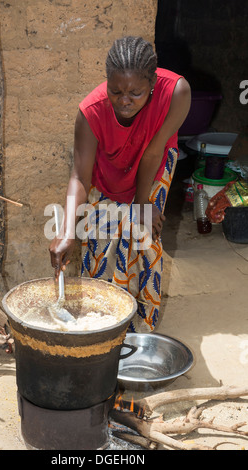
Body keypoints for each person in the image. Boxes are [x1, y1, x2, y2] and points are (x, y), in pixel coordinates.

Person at [49, 36, 191, 332]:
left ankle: (141, 331)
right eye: (115, 92)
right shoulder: (91, 112)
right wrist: (66, 233)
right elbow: (79, 176)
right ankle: (103, 328)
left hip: (153, 164)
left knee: (141, 238)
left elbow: (153, 151)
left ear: (152, 82)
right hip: (108, 172)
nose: (124, 101)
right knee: (100, 239)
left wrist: (142, 204)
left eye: (136, 93)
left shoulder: (176, 92)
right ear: (107, 83)